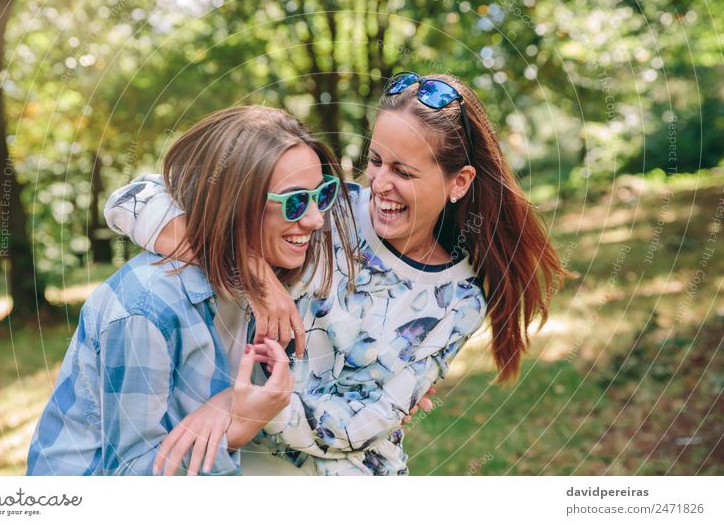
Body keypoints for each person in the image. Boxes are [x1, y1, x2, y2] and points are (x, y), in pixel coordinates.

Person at [106, 72, 566, 475]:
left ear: (458, 183)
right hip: (236, 460)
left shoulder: (457, 301)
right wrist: (255, 275)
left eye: (403, 171)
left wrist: (244, 406)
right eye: (376, 161)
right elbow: (131, 202)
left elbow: (359, 424)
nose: (381, 183)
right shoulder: (328, 206)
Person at [26, 105, 356, 475]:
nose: (315, 219)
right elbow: (129, 475)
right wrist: (238, 426)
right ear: (235, 203)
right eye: (295, 202)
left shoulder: (278, 272)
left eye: (322, 195)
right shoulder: (149, 307)